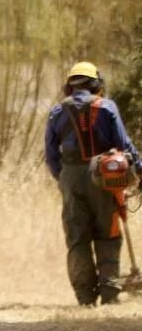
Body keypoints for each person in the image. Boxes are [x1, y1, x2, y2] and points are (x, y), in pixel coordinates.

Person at [44, 61, 139, 306]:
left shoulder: (57, 112)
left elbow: (51, 155)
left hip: (70, 177)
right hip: (104, 176)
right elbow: (124, 145)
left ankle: (85, 298)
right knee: (108, 234)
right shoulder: (107, 107)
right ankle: (109, 294)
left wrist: (64, 179)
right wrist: (139, 169)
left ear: (69, 87)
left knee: (77, 238)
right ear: (96, 84)